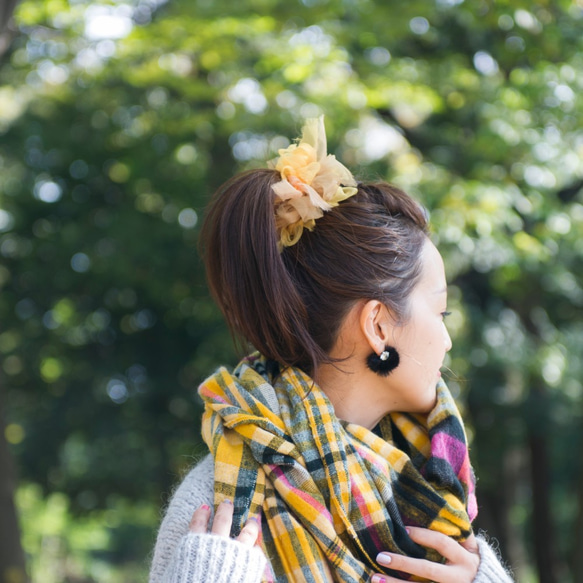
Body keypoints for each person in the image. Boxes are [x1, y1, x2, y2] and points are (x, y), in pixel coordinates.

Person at [149, 117, 514, 583]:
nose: (446, 339)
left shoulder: (426, 487)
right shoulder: (216, 506)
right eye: (440, 313)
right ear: (378, 325)